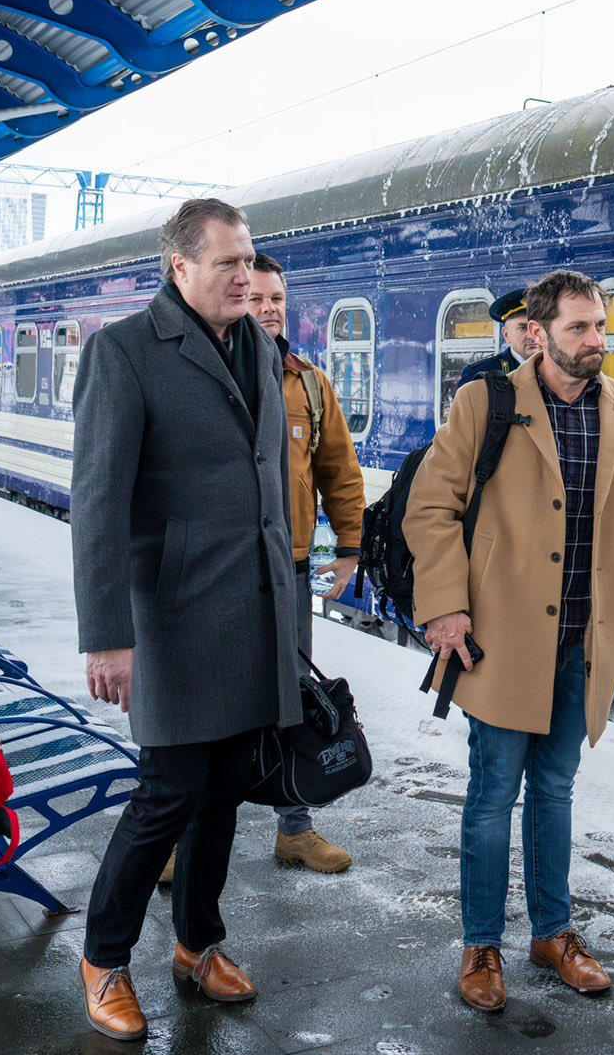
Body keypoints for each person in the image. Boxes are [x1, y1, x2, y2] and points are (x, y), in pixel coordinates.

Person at [68, 198, 305, 1041]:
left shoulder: (260, 347)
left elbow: (266, 480)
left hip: (256, 610)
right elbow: (96, 503)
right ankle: (103, 957)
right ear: (180, 267)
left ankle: (198, 943)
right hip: (171, 617)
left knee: (226, 794)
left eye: (250, 261)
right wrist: (106, 634)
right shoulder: (125, 352)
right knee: (167, 794)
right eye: (228, 263)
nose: (247, 276)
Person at [405, 269, 614, 1013]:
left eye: (602, 327)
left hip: (582, 639)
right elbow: (431, 507)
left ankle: (553, 933)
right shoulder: (488, 403)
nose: (596, 341)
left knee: (555, 791)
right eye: (580, 328)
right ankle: (481, 944)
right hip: (500, 640)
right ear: (539, 333)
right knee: (492, 796)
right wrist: (446, 608)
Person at [247, 252, 365, 874]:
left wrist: (349, 550)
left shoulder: (310, 385)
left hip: (289, 565)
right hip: (221, 571)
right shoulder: (209, 372)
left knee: (293, 698)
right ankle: (182, 834)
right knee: (210, 702)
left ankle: (294, 826)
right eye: (257, 298)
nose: (268, 310)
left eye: (277, 301)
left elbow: (340, 473)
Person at [458, 287, 543, 386]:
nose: (531, 335)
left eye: (537, 327)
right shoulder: (479, 374)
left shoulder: (559, 367)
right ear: (506, 335)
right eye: (523, 328)